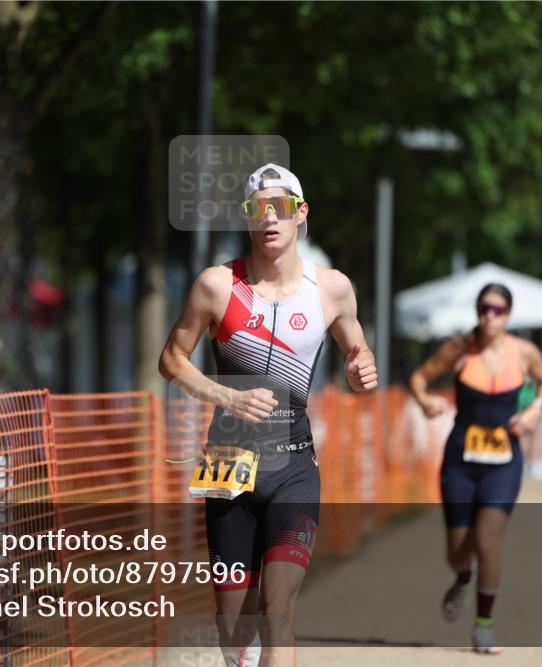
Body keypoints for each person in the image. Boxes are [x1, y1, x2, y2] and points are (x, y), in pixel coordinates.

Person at [159, 163, 377, 667]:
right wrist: (226, 397)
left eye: (280, 207)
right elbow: (171, 360)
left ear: (301, 213)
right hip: (229, 465)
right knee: (234, 630)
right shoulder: (217, 286)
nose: (270, 218)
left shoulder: (332, 289)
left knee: (278, 612)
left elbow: (356, 350)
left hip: (295, 468)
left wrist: (361, 367)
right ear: (247, 218)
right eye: (259, 209)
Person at [409, 283, 542, 654]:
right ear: (478, 311)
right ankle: (462, 577)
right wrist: (425, 400)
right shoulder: (459, 350)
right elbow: (419, 378)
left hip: (503, 463)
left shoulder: (524, 353)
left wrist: (535, 410)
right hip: (460, 460)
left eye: (499, 310)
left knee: (488, 541)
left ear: (509, 314)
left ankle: (484, 626)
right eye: (485, 308)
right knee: (458, 551)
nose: (491, 316)